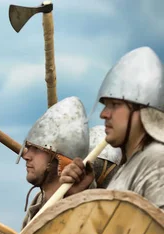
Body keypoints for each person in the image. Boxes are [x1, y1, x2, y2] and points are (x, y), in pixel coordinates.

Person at [60, 46, 164, 209]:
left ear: (142, 110)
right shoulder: (129, 167)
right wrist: (80, 195)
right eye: (106, 105)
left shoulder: (157, 161)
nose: (104, 114)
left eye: (115, 105)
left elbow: (154, 232)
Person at [18, 96, 90, 228]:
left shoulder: (85, 207)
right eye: (29, 147)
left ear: (60, 158)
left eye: (37, 149)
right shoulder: (38, 203)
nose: (26, 156)